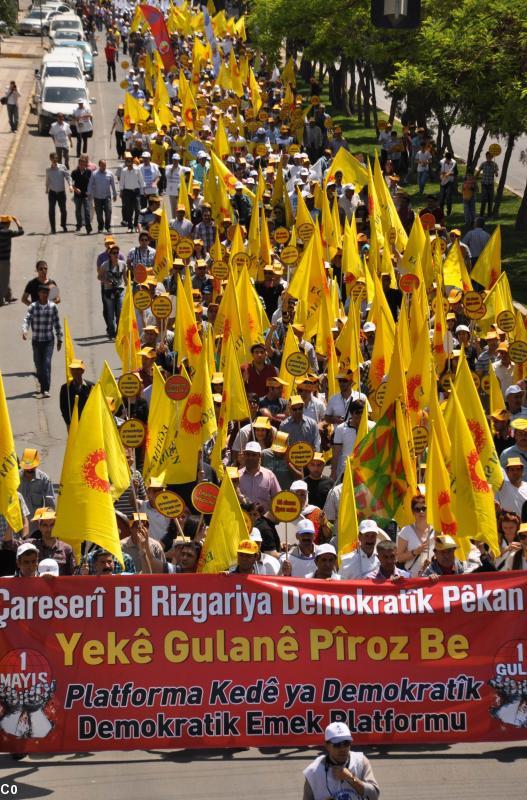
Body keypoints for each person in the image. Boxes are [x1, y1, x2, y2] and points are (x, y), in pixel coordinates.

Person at [302, 722, 380, 800]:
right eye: (337, 744)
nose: (343, 749)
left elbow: (375, 795)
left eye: (346, 743)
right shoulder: (313, 771)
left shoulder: (361, 761)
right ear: (326, 745)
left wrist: (351, 779)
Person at [22, 284, 62, 398]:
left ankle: (45, 389)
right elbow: (27, 319)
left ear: (48, 294)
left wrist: (60, 339)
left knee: (47, 364)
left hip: (49, 341)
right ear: (39, 294)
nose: (44, 295)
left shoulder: (53, 307)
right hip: (36, 341)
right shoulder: (33, 306)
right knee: (38, 365)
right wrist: (25, 330)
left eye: (46, 293)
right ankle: (41, 382)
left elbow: (57, 324)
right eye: (42, 293)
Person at [396, 495, 435, 576]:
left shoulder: (436, 531)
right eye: (417, 509)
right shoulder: (405, 531)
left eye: (424, 508)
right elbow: (399, 558)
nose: (421, 512)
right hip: (413, 579)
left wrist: (433, 561)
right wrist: (415, 552)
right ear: (413, 512)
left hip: (433, 577)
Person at [28, 508, 75, 575]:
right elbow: (9, 543)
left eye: (52, 525)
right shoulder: (31, 545)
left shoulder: (67, 549)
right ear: (40, 526)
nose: (49, 529)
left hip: (59, 585)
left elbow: (73, 576)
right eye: (45, 525)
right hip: (38, 585)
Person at [238, 441, 281, 511]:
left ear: (259, 456)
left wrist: (269, 517)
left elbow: (278, 499)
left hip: (263, 519)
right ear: (244, 455)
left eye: (254, 454)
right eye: (247, 454)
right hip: (242, 519)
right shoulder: (237, 476)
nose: (250, 457)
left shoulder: (269, 475)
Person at [18, 449, 55, 531]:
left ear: (37, 465)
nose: (29, 470)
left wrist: (49, 526)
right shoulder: (15, 478)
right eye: (27, 467)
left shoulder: (44, 479)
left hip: (36, 528)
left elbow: (50, 505)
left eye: (32, 467)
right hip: (18, 526)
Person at [97, 242, 126, 340]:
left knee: (120, 312)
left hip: (119, 290)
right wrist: (106, 281)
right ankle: (111, 332)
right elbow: (99, 276)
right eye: (113, 253)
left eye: (117, 252)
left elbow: (125, 278)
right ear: (109, 254)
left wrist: (126, 285)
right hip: (108, 291)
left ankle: (119, 331)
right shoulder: (104, 265)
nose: (116, 254)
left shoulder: (122, 264)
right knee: (110, 313)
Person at [59, 358, 94, 426]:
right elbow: (63, 408)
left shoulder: (91, 387)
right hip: (73, 425)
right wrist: (68, 423)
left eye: (77, 369)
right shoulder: (65, 389)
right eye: (72, 369)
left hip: (88, 423)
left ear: (82, 371)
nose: (75, 372)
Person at [45, 152, 72, 234]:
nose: (55, 160)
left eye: (56, 158)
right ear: (50, 159)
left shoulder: (62, 167)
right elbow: (48, 180)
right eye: (53, 158)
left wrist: (70, 185)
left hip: (61, 193)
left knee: (63, 210)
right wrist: (46, 188)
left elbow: (68, 177)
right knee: (51, 210)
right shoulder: (48, 170)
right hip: (52, 193)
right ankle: (53, 228)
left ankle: (63, 225)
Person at [88, 159, 117, 233]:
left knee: (108, 212)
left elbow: (113, 185)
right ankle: (100, 226)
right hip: (97, 197)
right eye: (102, 165)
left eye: (105, 165)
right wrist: (89, 193)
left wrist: (115, 194)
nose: (104, 167)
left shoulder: (110, 174)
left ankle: (108, 226)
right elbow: (90, 184)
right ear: (99, 165)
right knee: (99, 214)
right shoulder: (94, 174)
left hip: (107, 197)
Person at [0, 214, 23, 305]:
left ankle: (8, 296)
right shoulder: (8, 232)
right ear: (8, 223)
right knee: (4, 279)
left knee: (4, 278)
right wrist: (17, 221)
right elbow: (21, 231)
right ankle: (1, 300)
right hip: (4, 260)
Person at [120, 153, 144, 232]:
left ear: (132, 162)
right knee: (129, 210)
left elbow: (141, 180)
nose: (129, 163)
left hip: (136, 191)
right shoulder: (124, 171)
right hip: (127, 192)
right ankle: (130, 227)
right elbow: (122, 182)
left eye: (130, 162)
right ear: (126, 163)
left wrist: (142, 190)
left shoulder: (137, 169)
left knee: (137, 209)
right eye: (127, 162)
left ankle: (136, 225)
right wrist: (121, 191)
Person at [71, 156, 92, 234]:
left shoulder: (89, 172)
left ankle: (88, 228)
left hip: (86, 195)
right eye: (81, 164)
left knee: (87, 211)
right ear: (79, 164)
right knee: (78, 211)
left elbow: (91, 183)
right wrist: (75, 189)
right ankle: (78, 225)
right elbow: (72, 183)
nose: (83, 165)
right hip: (77, 195)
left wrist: (89, 191)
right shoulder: (74, 172)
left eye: (84, 164)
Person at [476, 151, 499, 217]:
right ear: (486, 157)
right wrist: (475, 177)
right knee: (484, 199)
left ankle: (489, 215)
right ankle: (481, 214)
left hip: (490, 184)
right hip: (484, 184)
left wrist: (495, 171)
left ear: (492, 157)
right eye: (487, 156)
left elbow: (497, 175)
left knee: (490, 199)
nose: (489, 157)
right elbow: (479, 171)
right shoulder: (483, 164)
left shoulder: (494, 164)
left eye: (490, 156)